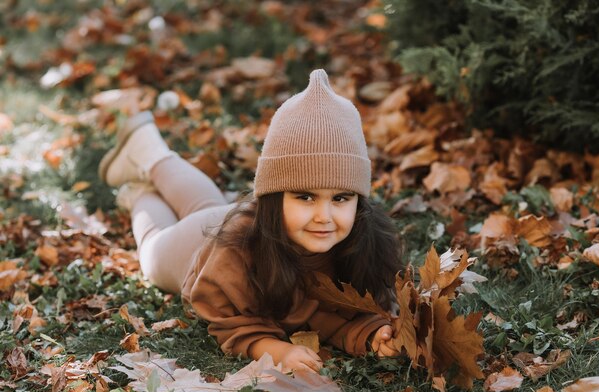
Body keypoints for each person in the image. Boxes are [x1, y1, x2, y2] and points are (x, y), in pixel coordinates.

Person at [99, 69, 403, 372]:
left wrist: (372, 332)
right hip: (203, 244)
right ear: (272, 197)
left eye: (340, 198)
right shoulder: (235, 253)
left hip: (227, 217)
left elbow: (340, 315)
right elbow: (230, 324)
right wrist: (276, 350)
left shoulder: (363, 242)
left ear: (359, 201)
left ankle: (147, 148)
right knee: (153, 249)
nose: (324, 216)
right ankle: (140, 191)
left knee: (205, 204)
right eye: (305, 197)